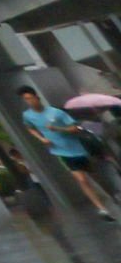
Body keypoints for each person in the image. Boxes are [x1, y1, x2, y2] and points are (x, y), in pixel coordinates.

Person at [18, 86, 114, 217]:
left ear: (37, 97)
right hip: (61, 152)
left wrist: (57, 128)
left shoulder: (56, 113)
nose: (29, 101)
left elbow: (74, 129)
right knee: (81, 179)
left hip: (78, 148)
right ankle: (101, 208)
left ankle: (112, 196)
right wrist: (41, 138)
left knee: (95, 176)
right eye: (26, 99)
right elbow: (30, 128)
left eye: (30, 98)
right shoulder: (27, 115)